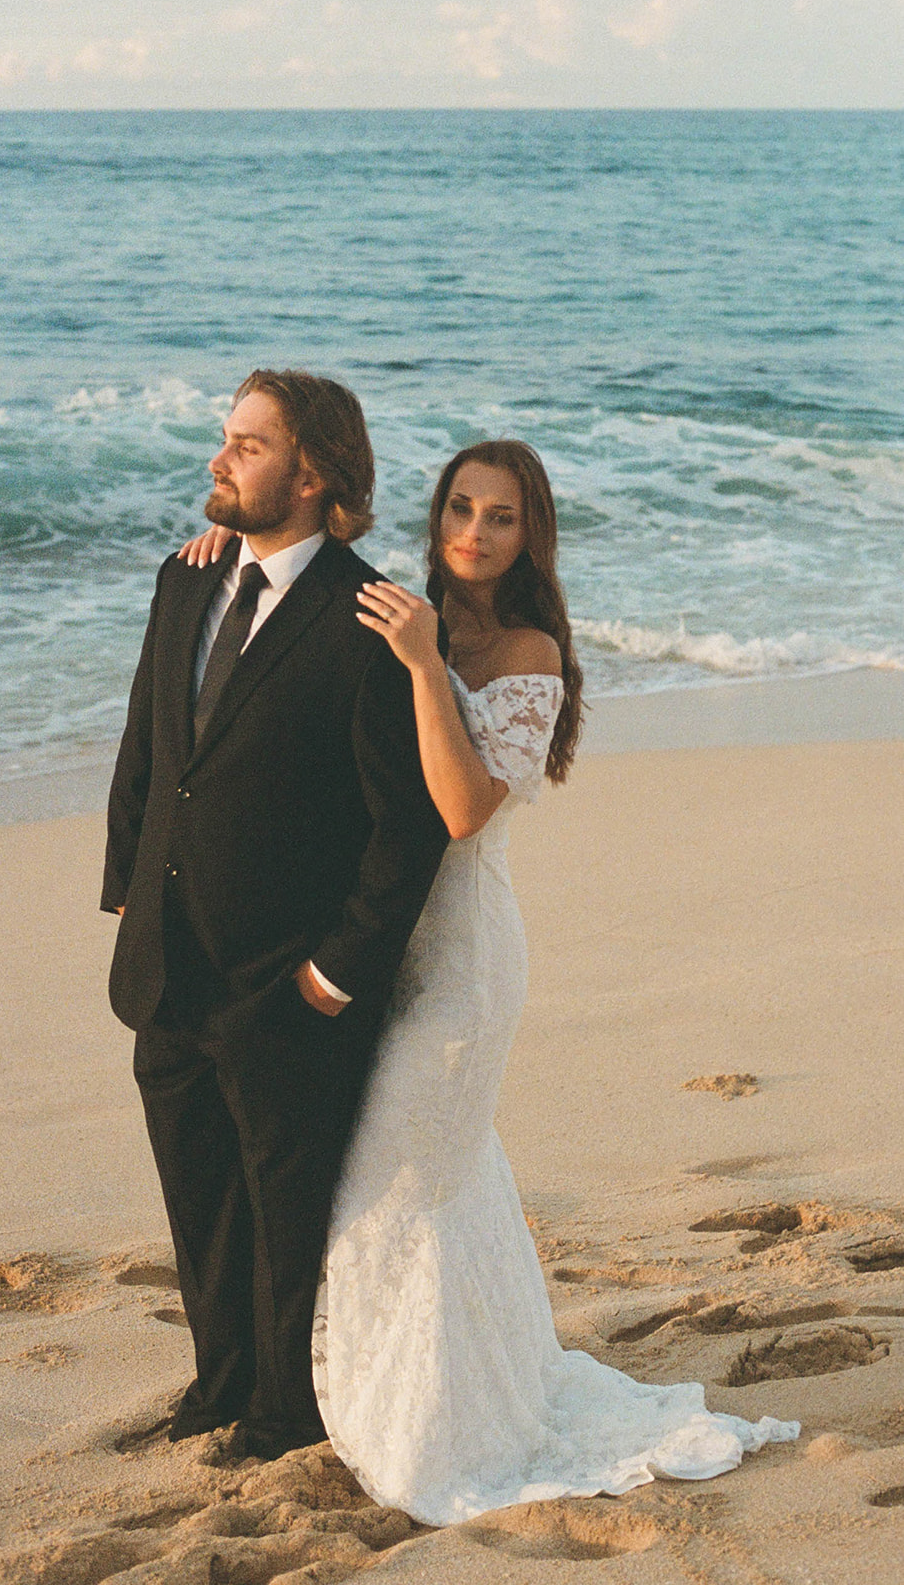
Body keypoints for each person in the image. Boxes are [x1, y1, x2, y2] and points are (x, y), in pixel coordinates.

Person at [182, 438, 799, 1523]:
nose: (473, 531)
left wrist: (426, 666)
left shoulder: (529, 649)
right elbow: (295, 609)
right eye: (459, 509)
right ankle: (436, 1384)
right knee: (435, 1187)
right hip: (374, 950)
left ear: (531, 534)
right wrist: (234, 544)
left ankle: (427, 1426)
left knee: (398, 1186)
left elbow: (463, 810)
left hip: (459, 965)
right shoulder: (391, 601)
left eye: (500, 516)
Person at [100, 370, 448, 1461]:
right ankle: (219, 1383)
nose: (220, 460)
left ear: (313, 473)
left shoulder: (365, 618)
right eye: (225, 439)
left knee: (282, 1206)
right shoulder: (184, 579)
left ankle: (285, 1412)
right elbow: (150, 750)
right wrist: (127, 892)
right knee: (199, 1191)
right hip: (168, 960)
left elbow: (410, 827)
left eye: (246, 445)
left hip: (287, 980)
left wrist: (335, 973)